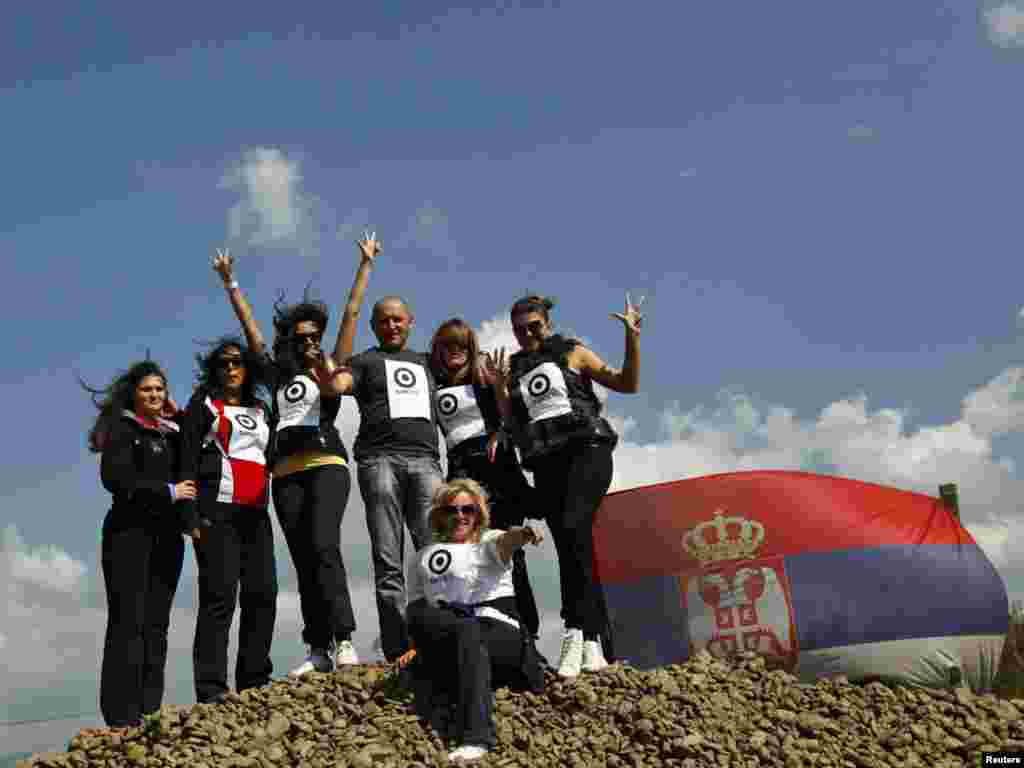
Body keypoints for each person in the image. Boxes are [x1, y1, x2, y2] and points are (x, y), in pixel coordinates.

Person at [212, 239, 375, 675]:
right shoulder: (278, 372)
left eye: (313, 337)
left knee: (324, 546)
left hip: (325, 466)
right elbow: (252, 334)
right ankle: (317, 646)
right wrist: (231, 284)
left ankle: (344, 638)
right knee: (303, 559)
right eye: (300, 337)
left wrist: (364, 266)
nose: (307, 342)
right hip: (284, 474)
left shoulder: (331, 364)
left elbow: (352, 315)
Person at [492, 293, 642, 678]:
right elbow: (511, 421)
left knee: (575, 527)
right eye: (520, 330)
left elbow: (627, 383)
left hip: (586, 450)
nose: (528, 335)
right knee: (571, 546)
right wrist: (497, 389)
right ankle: (595, 642)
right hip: (546, 462)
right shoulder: (516, 370)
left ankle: (576, 629)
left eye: (534, 327)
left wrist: (632, 339)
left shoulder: (574, 352)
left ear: (548, 324)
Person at [341, 250, 445, 663]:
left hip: (426, 462)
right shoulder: (366, 361)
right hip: (379, 460)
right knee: (389, 559)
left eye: (398, 318)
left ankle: (435, 639)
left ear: (410, 322)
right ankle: (399, 646)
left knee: (435, 554)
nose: (391, 325)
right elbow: (338, 382)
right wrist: (364, 269)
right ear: (374, 326)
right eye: (383, 319)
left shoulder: (427, 363)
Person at [84, 360, 197, 727]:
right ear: (134, 393)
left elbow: (197, 447)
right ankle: (120, 714)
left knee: (157, 624)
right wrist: (168, 491)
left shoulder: (172, 433)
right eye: (147, 389)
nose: (154, 395)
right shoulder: (121, 428)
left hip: (166, 537)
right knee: (127, 620)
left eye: (159, 389)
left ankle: (149, 708)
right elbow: (116, 479)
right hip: (128, 534)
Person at [402, 478, 545, 763]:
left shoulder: (488, 540)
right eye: (451, 510)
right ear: (439, 515)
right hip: (448, 635)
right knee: (420, 613)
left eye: (468, 509)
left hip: (498, 634)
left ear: (478, 513)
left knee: (470, 630)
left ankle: (476, 737)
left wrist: (524, 533)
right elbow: (419, 609)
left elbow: (508, 541)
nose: (460, 516)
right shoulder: (420, 558)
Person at [177, 337, 277, 703]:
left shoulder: (263, 409)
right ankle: (211, 687)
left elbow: (271, 456)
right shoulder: (203, 405)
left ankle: (254, 679)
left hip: (255, 513)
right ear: (213, 371)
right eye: (223, 364)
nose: (231, 369)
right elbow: (185, 459)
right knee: (219, 596)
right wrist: (188, 515)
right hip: (215, 511)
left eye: (237, 362)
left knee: (263, 593)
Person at [428, 318, 540, 637]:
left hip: (495, 464)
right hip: (461, 468)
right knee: (469, 551)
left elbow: (509, 415)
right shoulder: (433, 382)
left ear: (471, 348)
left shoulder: (483, 376)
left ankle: (525, 631)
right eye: (448, 345)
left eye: (461, 345)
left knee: (509, 550)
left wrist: (499, 392)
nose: (455, 351)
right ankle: (482, 627)